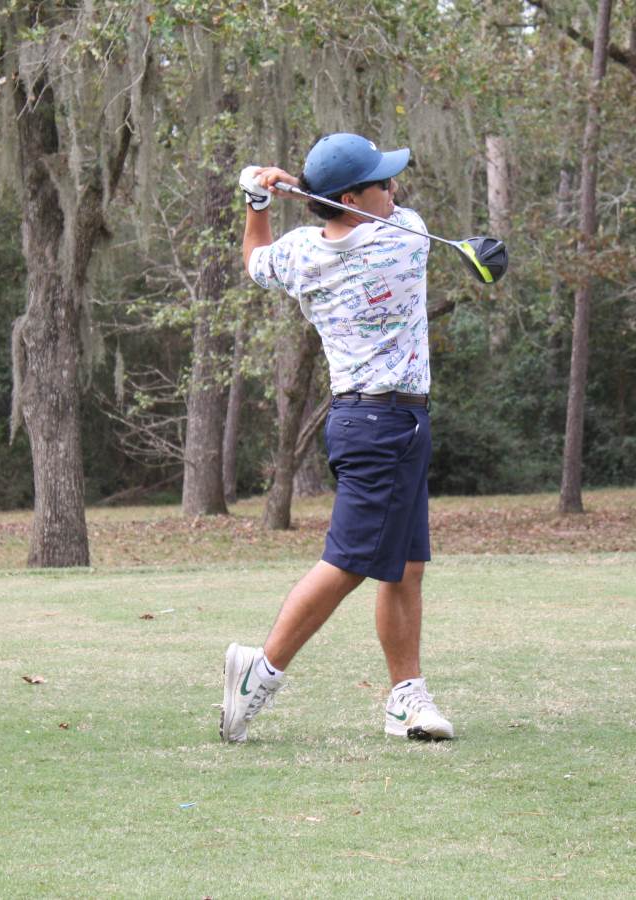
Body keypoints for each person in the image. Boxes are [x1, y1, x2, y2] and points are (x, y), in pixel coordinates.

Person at [219, 133, 454, 743]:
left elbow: (254, 259)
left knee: (404, 567)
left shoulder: (298, 255)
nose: (394, 188)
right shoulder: (404, 238)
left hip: (377, 423)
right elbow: (394, 216)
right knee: (346, 565)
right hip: (382, 425)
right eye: (382, 181)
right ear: (352, 198)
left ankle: (406, 698)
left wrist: (257, 199)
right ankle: (260, 670)